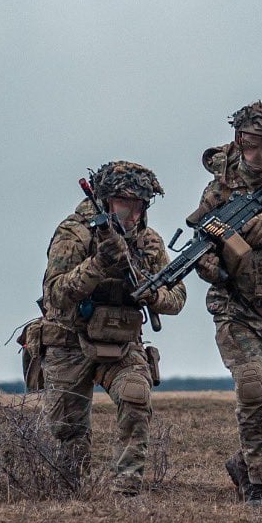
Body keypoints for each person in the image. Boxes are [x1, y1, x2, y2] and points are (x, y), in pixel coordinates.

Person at [39, 161, 186, 495]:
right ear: (106, 201)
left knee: (136, 398)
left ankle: (126, 488)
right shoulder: (74, 233)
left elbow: (177, 296)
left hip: (121, 343)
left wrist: (155, 294)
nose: (132, 215)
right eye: (125, 204)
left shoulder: (149, 243)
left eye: (140, 206)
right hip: (69, 340)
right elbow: (56, 293)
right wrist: (98, 264)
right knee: (67, 429)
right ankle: (70, 488)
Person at [191, 101, 262, 506]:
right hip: (236, 306)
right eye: (244, 142)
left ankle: (245, 462)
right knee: (255, 392)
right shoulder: (222, 186)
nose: (249, 152)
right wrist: (209, 264)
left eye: (259, 145)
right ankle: (261, 486)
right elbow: (201, 238)